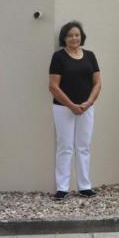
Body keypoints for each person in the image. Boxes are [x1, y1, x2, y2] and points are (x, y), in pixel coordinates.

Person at [48, 21, 102, 200]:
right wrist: (71, 105)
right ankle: (62, 187)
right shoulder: (58, 57)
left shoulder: (90, 56)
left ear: (81, 37)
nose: (74, 38)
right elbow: (53, 87)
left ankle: (84, 186)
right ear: (64, 38)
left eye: (77, 35)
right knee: (65, 147)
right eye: (70, 35)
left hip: (86, 109)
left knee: (84, 146)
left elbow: (97, 83)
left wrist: (88, 103)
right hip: (63, 109)